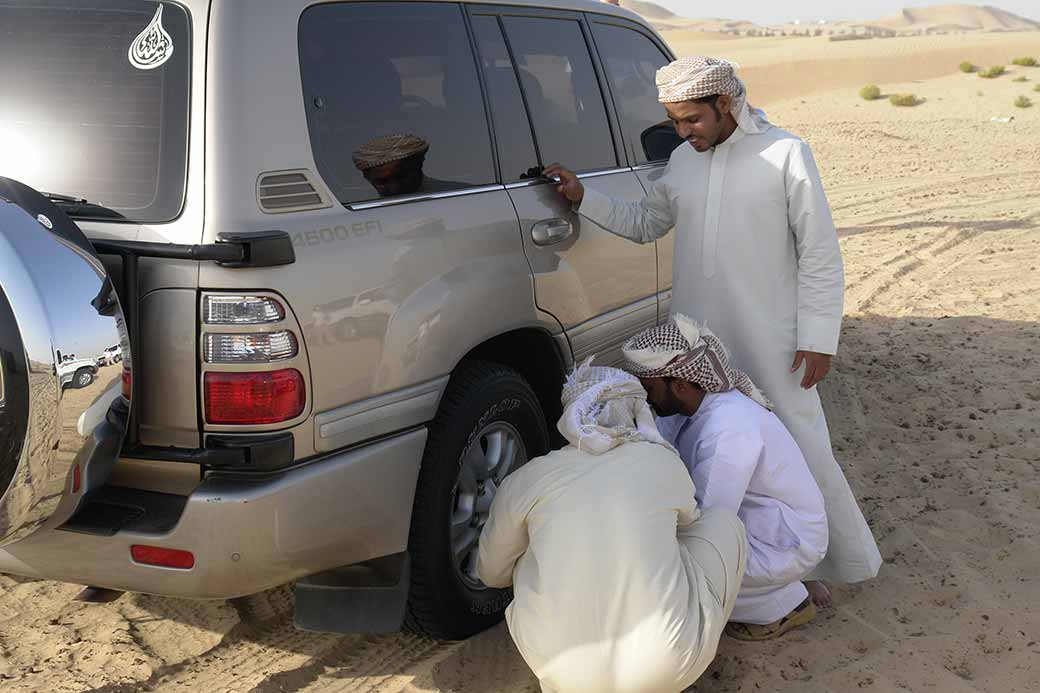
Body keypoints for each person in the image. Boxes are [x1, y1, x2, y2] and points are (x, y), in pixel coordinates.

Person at [543, 56, 881, 603]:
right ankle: (734, 567)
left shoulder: (785, 153)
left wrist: (819, 336)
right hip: (698, 336)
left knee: (798, 438)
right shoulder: (681, 161)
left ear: (725, 103)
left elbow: (820, 253)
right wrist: (586, 198)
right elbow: (646, 223)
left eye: (691, 120)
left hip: (773, 336)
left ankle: (829, 562)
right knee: (706, 444)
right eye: (674, 121)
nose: (682, 132)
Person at [476, 360, 748, 693]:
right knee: (723, 523)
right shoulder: (661, 460)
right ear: (635, 411)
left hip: (563, 675)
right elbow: (689, 523)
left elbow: (490, 573)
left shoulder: (526, 478)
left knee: (522, 548)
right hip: (666, 669)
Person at [624, 314, 829, 640]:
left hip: (785, 543)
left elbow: (710, 519)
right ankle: (783, 586)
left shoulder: (728, 427)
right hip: (763, 526)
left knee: (677, 579)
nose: (645, 397)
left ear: (678, 384)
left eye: (648, 388)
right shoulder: (689, 407)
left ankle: (785, 602)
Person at [351, 133, 460, 198]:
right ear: (367, 178)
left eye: (401, 177)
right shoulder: (357, 211)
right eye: (382, 182)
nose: (394, 188)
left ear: (419, 165)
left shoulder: (459, 196)